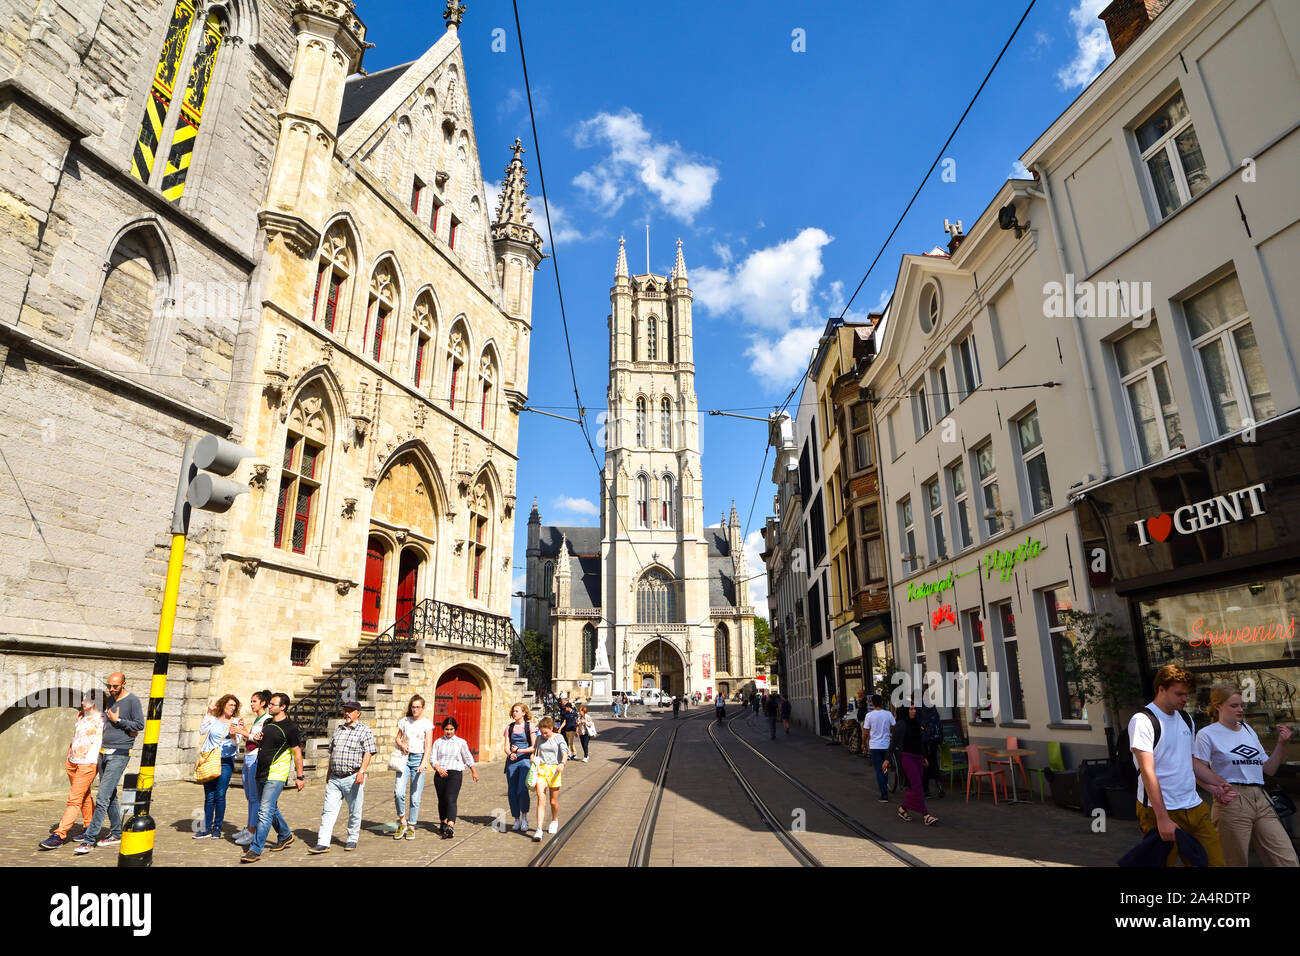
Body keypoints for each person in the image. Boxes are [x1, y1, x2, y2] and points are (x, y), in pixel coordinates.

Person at [1128, 665, 1229, 867]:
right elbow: (1148, 772)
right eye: (1179, 693)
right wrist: (1162, 818)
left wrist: (1218, 782)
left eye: (1187, 694)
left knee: (1215, 863)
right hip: (1160, 811)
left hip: (1194, 806)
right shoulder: (1143, 721)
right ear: (1161, 689)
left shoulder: (1185, 718)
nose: (1184, 699)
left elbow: (1189, 760)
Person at [1193, 683, 1297, 867]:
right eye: (1234, 706)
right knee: (1234, 861)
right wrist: (1214, 790)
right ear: (1218, 706)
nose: (1240, 709)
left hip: (1261, 798)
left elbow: (1269, 769)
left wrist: (1281, 744)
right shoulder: (1207, 734)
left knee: (1285, 859)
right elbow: (1196, 770)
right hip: (1232, 800)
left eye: (1241, 705)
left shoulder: (1248, 730)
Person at [75, 671, 145, 854]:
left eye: (115, 686)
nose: (111, 689)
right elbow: (101, 715)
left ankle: (89, 840)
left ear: (124, 684)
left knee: (102, 797)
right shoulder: (111, 699)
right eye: (109, 686)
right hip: (103, 751)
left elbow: (139, 725)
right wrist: (83, 713)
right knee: (110, 794)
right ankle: (116, 833)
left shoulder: (132, 701)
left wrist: (119, 720)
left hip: (120, 753)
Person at [240, 692, 304, 863]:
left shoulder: (290, 727)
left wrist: (300, 776)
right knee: (268, 808)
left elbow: (297, 753)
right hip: (261, 771)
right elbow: (265, 744)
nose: (270, 706)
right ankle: (285, 834)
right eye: (270, 704)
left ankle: (255, 849)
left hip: (276, 774)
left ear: (283, 707)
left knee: (264, 812)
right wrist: (259, 738)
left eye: (273, 705)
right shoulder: (267, 723)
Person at [308, 700, 376, 854]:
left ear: (358, 713)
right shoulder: (338, 730)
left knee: (354, 810)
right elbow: (333, 753)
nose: (347, 713)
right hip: (335, 778)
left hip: (353, 777)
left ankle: (352, 838)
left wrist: (362, 772)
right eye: (346, 710)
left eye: (350, 710)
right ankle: (323, 842)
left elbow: (368, 752)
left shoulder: (364, 731)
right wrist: (328, 772)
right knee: (328, 811)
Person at [40, 690, 105, 849]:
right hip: (72, 762)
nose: (82, 703)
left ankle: (59, 835)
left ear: (94, 702)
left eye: (85, 701)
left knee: (74, 799)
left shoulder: (104, 719)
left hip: (88, 764)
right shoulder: (82, 716)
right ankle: (89, 827)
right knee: (84, 795)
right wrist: (69, 757)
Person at [195, 694, 242, 840]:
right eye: (230, 705)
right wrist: (209, 712)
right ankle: (207, 828)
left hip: (226, 761)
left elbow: (237, 743)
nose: (232, 708)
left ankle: (217, 828)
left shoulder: (236, 721)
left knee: (220, 794)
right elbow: (202, 731)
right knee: (209, 796)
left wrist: (234, 735)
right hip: (210, 760)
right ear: (223, 705)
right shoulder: (213, 719)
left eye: (234, 706)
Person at [888, 704, 938, 825]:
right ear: (905, 711)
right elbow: (893, 743)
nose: (914, 711)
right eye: (911, 709)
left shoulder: (916, 722)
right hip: (907, 757)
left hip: (918, 758)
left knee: (913, 787)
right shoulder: (901, 724)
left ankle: (903, 808)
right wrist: (887, 759)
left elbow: (920, 742)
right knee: (918, 787)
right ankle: (926, 815)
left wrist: (924, 756)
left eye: (914, 708)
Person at [232, 690, 271, 845]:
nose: (252, 704)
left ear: (263, 703)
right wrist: (244, 729)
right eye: (251, 701)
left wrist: (241, 731)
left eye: (254, 701)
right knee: (249, 796)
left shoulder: (267, 720)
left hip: (255, 757)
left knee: (254, 798)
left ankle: (252, 831)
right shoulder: (257, 719)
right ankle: (248, 827)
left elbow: (258, 739)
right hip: (248, 757)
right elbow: (252, 736)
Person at [431, 716, 479, 839]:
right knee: (442, 800)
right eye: (447, 729)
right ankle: (443, 822)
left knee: (451, 799)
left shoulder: (461, 742)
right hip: (440, 774)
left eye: (451, 729)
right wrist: (438, 768)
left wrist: (473, 771)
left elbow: (468, 757)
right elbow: (433, 758)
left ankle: (451, 825)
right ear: (443, 729)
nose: (449, 732)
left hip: (455, 773)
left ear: (455, 729)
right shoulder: (438, 742)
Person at [393, 694, 434, 840]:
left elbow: (428, 745)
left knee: (415, 797)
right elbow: (398, 737)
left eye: (418, 707)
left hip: (418, 759)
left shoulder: (427, 724)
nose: (415, 709)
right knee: (398, 792)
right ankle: (402, 821)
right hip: (404, 759)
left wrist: (424, 763)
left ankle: (411, 825)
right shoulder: (404, 721)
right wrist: (402, 744)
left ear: (423, 708)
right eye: (413, 707)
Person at [531, 715, 568, 842]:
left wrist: (562, 763)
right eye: (542, 732)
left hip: (554, 770)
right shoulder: (539, 738)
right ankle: (539, 829)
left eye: (546, 732)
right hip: (541, 769)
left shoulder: (559, 737)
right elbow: (534, 750)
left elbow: (564, 752)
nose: (544, 735)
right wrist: (527, 755)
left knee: (553, 801)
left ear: (551, 728)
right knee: (541, 798)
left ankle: (554, 820)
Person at [503, 703, 536, 832]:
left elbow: (534, 746)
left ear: (523, 713)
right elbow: (506, 746)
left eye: (517, 711)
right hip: (512, 762)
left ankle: (524, 817)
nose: (514, 713)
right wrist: (510, 754)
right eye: (513, 711)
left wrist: (520, 751)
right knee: (511, 791)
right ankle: (516, 818)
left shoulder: (529, 726)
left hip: (525, 761)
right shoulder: (509, 727)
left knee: (522, 790)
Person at [863, 695, 895, 803]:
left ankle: (884, 795)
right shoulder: (888, 714)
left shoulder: (869, 716)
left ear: (872, 703)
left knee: (879, 771)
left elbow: (866, 732)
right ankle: (885, 786)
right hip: (886, 746)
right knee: (884, 768)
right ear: (881, 702)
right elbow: (894, 726)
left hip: (875, 746)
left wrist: (863, 743)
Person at [919, 702, 945, 798]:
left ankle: (926, 790)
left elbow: (918, 726)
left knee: (925, 764)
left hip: (924, 741)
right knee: (934, 762)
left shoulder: (919, 709)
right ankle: (940, 786)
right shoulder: (933, 708)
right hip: (935, 739)